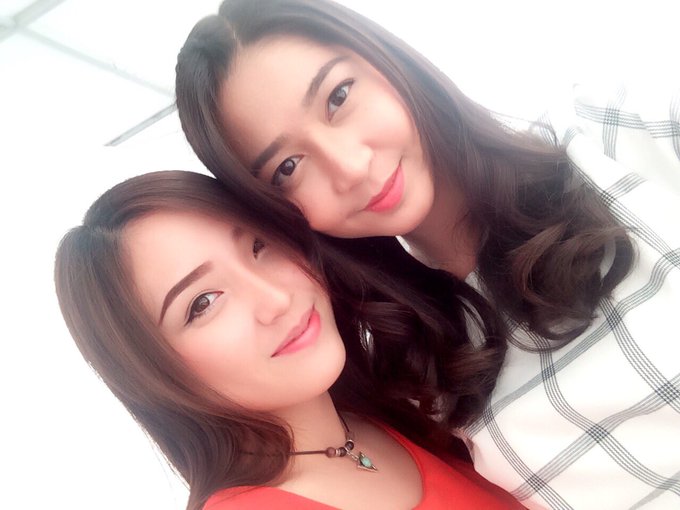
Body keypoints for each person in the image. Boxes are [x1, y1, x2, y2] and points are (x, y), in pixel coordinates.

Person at [174, 0, 680, 507]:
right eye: (288, 166)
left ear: (385, 60)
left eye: (338, 97)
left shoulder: (610, 137)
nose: (350, 167)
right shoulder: (408, 366)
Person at [55, 170, 523, 509]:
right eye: (203, 302)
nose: (276, 298)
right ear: (151, 371)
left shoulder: (391, 406)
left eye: (259, 246)